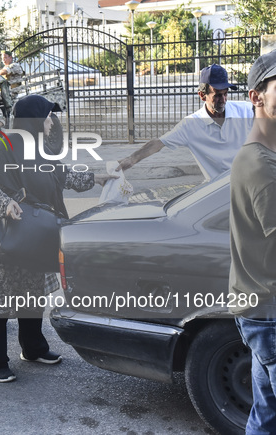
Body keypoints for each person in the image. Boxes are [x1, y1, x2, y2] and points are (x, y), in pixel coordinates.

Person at [0, 95, 118, 382]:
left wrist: (100, 178)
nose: (51, 121)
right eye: (46, 116)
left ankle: (33, 348)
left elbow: (63, 175)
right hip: (5, 232)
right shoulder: (4, 146)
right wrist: (5, 203)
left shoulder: (40, 150)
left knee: (32, 292)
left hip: (33, 232)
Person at [230, 49, 276, 434]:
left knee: (265, 415)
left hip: (262, 309)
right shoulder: (260, 163)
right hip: (270, 311)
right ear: (256, 95)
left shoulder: (266, 154)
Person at [117, 64, 254, 181]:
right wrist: (130, 160)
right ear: (202, 95)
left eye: (225, 94)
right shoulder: (191, 125)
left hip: (251, 184)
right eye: (217, 95)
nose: (223, 99)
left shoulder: (246, 110)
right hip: (219, 192)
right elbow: (158, 143)